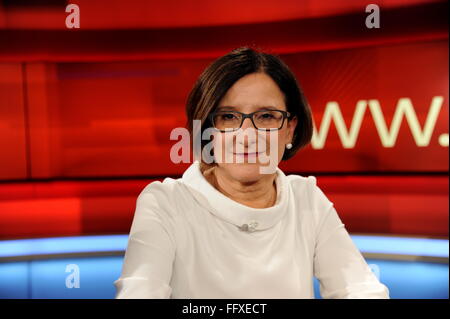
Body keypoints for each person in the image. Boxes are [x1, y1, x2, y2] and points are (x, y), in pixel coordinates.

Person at [114, 47, 390, 299]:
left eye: (266, 116)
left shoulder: (306, 198)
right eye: (228, 117)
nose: (246, 137)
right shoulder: (165, 203)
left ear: (290, 128)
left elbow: (362, 290)